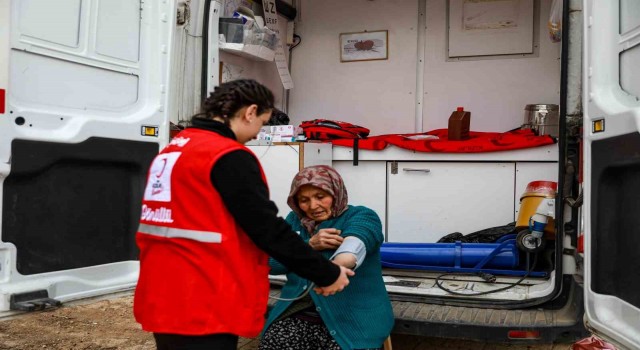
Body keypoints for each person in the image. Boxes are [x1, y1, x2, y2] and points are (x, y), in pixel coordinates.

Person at [133, 79, 354, 350]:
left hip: (163, 287)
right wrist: (327, 273)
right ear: (249, 112)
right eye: (260, 123)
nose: (255, 134)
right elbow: (267, 229)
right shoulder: (226, 155)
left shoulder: (175, 149)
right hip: (204, 292)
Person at [259, 165, 394, 350]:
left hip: (353, 317)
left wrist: (334, 271)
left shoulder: (361, 215)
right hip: (300, 310)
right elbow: (269, 263)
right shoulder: (293, 221)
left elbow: (355, 244)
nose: (313, 206)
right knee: (275, 342)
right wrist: (308, 246)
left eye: (321, 197)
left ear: (336, 192)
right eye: (304, 200)